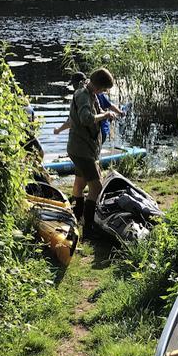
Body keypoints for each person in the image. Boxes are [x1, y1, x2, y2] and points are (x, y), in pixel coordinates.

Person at [65, 67, 117, 238]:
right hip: (82, 150)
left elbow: (95, 112)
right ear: (98, 86)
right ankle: (88, 228)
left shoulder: (89, 91)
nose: (103, 92)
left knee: (80, 183)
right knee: (96, 186)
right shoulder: (83, 95)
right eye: (103, 89)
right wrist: (103, 116)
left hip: (83, 148)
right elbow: (86, 118)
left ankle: (77, 217)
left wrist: (105, 113)